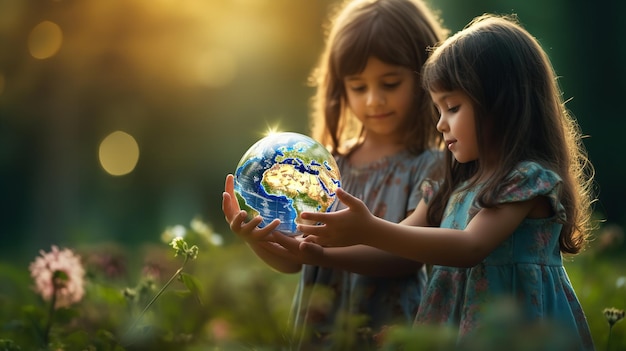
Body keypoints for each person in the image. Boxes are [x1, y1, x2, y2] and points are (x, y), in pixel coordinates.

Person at [296, 13, 597, 350]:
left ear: (501, 102)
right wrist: (311, 250)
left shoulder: (525, 181)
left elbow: (470, 247)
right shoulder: (453, 183)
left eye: (452, 107)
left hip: (519, 334)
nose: (440, 124)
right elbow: (396, 243)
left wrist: (368, 227)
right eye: (437, 110)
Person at [222, 0, 448, 348]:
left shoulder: (432, 166)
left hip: (387, 335)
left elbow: (406, 257)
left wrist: (322, 255)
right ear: (340, 88)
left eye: (389, 83)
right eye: (358, 87)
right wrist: (260, 241)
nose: (373, 100)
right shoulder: (325, 170)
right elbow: (296, 262)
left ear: (425, 77)